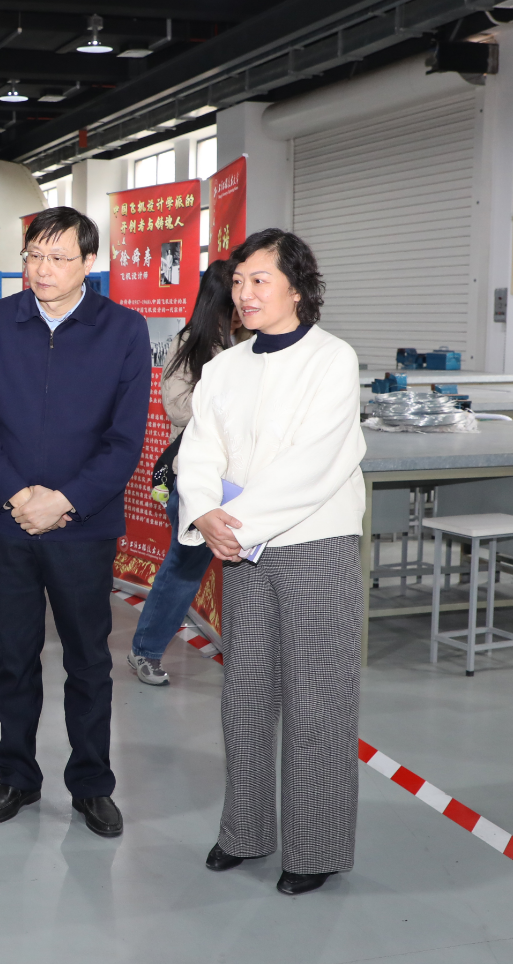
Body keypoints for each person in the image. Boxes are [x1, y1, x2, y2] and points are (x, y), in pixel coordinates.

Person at [176, 228, 366, 896]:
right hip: (239, 548)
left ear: (297, 288)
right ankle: (245, 831)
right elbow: (200, 448)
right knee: (244, 696)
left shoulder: (332, 359)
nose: (245, 293)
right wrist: (204, 511)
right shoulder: (226, 367)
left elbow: (318, 461)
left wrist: (236, 525)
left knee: (318, 700)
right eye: (238, 281)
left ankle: (314, 848)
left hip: (313, 542)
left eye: (260, 279)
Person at [0, 207, 151, 838]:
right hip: (6, 522)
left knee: (88, 659)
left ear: (89, 262)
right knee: (13, 655)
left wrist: (64, 501)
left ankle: (91, 784)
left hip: (83, 527)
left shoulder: (123, 329)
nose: (43, 269)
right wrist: (18, 497)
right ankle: (17, 775)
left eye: (59, 258)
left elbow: (124, 440)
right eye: (34, 255)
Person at [126, 261, 250, 686]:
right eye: (238, 294)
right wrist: (223, 392)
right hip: (199, 479)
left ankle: (252, 660)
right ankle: (145, 650)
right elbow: (176, 407)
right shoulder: (190, 342)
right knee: (182, 570)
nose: (246, 303)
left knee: (247, 573)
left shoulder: (250, 343)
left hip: (244, 482)